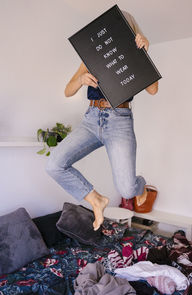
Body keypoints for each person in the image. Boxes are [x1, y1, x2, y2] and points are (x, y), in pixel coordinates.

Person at [46, 11, 159, 231]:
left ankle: (141, 185)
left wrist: (145, 54)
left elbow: (153, 89)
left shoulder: (136, 52)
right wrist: (80, 80)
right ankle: (96, 200)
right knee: (54, 164)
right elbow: (68, 91)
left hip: (120, 121)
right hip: (91, 118)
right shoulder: (92, 55)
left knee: (127, 190)